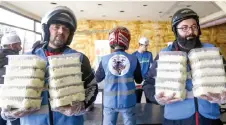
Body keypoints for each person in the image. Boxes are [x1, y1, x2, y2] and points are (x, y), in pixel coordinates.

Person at [1, 6, 98, 125]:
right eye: (56, 27)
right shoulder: (27, 59)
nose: (61, 31)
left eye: (66, 29)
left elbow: (92, 87)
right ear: (47, 30)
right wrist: (7, 111)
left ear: (70, 34)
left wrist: (82, 105)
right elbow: (11, 91)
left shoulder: (79, 58)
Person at [143, 8, 225, 125]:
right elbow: (148, 84)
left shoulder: (211, 51)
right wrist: (157, 98)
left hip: (209, 118)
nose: (190, 31)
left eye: (194, 26)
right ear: (175, 31)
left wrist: (224, 96)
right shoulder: (165, 55)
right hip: (176, 120)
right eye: (184, 28)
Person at [95, 26, 143, 125]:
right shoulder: (133, 59)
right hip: (128, 102)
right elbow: (139, 80)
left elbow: (97, 78)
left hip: (109, 103)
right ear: (126, 40)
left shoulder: (104, 59)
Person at [0, 32, 22, 125]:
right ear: (12, 46)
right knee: (15, 119)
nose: (20, 48)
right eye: (19, 45)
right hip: (13, 99)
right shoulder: (16, 60)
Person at [132, 37, 153, 103]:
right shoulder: (133, 55)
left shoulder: (149, 54)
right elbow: (132, 70)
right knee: (137, 100)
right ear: (140, 45)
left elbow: (151, 67)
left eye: (147, 45)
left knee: (149, 101)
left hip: (147, 81)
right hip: (137, 82)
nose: (146, 47)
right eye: (145, 45)